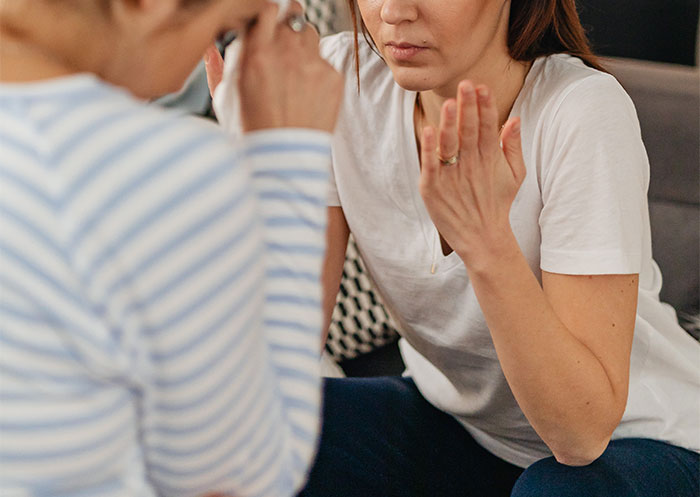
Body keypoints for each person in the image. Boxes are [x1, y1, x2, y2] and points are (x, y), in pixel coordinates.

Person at [200, 0, 700, 495]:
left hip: (636, 442)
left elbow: (580, 437)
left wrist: (487, 243)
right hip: (460, 428)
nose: (394, 11)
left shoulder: (580, 111)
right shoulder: (340, 83)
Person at [0, 0, 342, 496]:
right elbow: (248, 481)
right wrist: (287, 162)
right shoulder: (153, 173)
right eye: (227, 29)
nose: (178, 83)